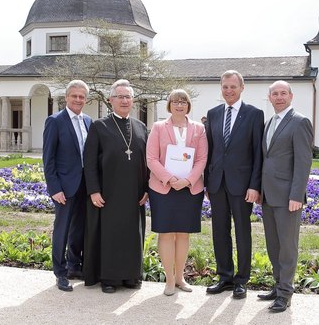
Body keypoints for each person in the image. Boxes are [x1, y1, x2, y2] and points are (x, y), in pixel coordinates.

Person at [83, 79, 149, 294]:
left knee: (132, 235)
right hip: (108, 193)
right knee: (110, 235)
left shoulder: (140, 127)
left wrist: (147, 188)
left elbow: (147, 161)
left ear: (133, 101)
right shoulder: (99, 126)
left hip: (134, 194)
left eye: (128, 97)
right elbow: (89, 161)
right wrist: (93, 190)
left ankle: (131, 276)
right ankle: (109, 277)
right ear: (111, 100)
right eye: (120, 96)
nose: (124, 100)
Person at [204, 70, 264, 299]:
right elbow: (210, 150)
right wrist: (208, 182)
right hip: (217, 183)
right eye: (225, 87)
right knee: (219, 231)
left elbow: (258, 153)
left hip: (242, 185)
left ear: (242, 88)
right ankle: (225, 277)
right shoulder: (214, 113)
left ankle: (242, 279)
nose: (228, 91)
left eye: (233, 87)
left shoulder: (254, 114)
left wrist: (254, 185)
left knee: (242, 231)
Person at [258, 80, 313, 313]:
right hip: (269, 196)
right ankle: (278, 285)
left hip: (288, 197)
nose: (279, 97)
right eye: (274, 94)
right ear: (269, 98)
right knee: (273, 244)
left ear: (291, 96)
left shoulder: (300, 122)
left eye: (283, 93)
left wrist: (297, 195)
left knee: (288, 247)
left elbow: (303, 163)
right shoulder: (270, 122)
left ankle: (285, 293)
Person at [146, 89, 207, 295]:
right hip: (163, 188)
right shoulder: (158, 127)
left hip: (189, 189)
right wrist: (170, 179)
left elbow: (201, 159)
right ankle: (169, 281)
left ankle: (180, 278)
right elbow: (151, 158)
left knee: (183, 235)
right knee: (166, 234)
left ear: (188, 105)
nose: (179, 105)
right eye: (175, 102)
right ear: (169, 105)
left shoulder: (199, 128)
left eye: (183, 101)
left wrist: (188, 180)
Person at [42, 80, 92, 292]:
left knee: (79, 229)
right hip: (64, 186)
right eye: (74, 96)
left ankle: (74, 266)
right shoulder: (55, 121)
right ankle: (60, 273)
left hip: (85, 186)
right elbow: (48, 159)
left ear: (85, 99)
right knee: (62, 229)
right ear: (66, 97)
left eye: (82, 97)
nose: (78, 100)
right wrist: (54, 188)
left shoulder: (89, 121)